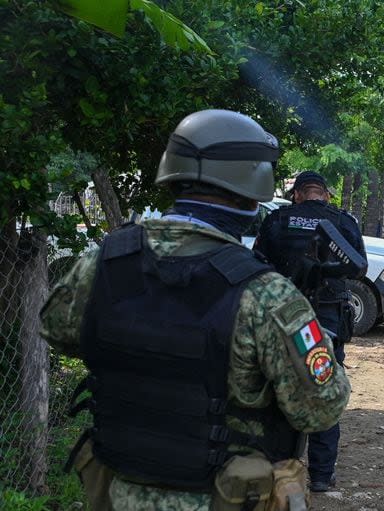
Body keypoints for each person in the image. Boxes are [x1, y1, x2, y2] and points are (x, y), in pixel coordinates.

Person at [40, 109, 351, 510]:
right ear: (250, 180)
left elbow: (58, 331)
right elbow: (320, 409)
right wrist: (319, 343)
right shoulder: (266, 295)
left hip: (115, 492)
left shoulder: (102, 264)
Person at [256, 170, 366, 493]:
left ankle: (278, 468)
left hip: (284, 315)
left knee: (276, 386)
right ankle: (320, 474)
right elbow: (360, 266)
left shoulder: (278, 220)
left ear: (297, 194)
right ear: (325, 194)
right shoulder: (344, 222)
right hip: (328, 316)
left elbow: (258, 265)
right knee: (325, 385)